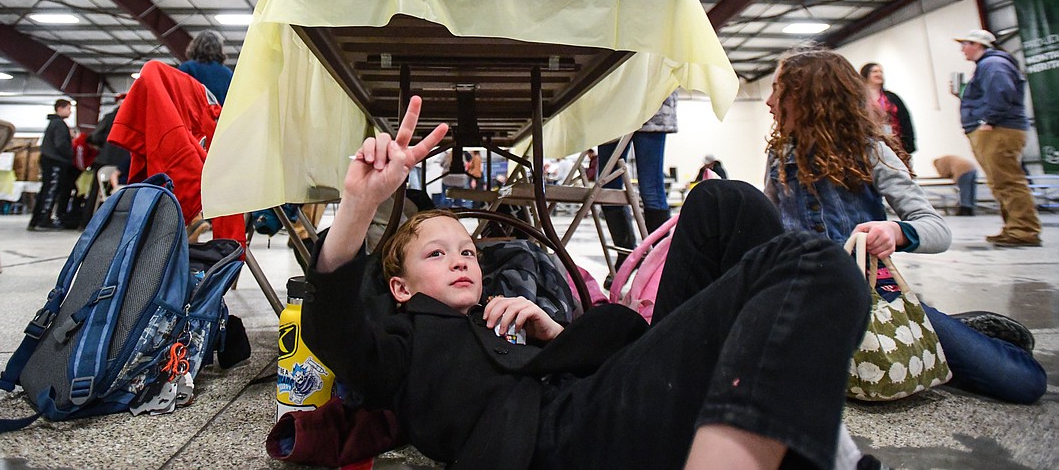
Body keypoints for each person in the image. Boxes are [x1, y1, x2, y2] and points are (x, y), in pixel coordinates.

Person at [303, 96, 872, 470]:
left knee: (726, 202)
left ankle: (773, 421)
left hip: (614, 392)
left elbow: (616, 344)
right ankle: (797, 438)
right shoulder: (402, 337)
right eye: (436, 253)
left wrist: (556, 337)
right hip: (561, 437)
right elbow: (335, 332)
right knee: (811, 265)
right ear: (400, 288)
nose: (462, 261)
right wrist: (358, 205)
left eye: (469, 251)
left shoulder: (501, 319)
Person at [764, 47, 1046, 405]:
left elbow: (936, 230)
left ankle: (952, 332)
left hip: (873, 297)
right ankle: (952, 328)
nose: (769, 101)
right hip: (805, 298)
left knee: (1023, 382)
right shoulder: (779, 155)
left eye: (778, 89)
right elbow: (770, 222)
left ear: (810, 96)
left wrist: (896, 233)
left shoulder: (870, 151)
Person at [951, 29, 1041, 247]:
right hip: (997, 127)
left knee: (1008, 180)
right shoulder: (989, 65)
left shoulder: (993, 64)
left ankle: (1024, 230)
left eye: (965, 44)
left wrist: (988, 120)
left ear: (978, 45)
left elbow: (1002, 92)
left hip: (999, 129)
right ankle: (1014, 227)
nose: (962, 49)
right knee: (1001, 181)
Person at [597, 92, 677, 265]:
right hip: (615, 105)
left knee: (651, 188)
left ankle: (659, 262)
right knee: (605, 186)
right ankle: (626, 253)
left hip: (650, 103)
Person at [28, 99, 73, 230]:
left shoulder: (53, 123)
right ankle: (43, 219)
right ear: (60, 108)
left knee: (46, 190)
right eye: (68, 109)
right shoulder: (59, 124)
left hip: (50, 160)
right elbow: (61, 144)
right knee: (50, 191)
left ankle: (37, 220)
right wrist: (70, 153)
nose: (70, 112)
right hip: (55, 161)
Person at [858, 63, 916, 156]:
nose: (879, 74)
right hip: (874, 145)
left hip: (896, 142)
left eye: (881, 71)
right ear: (866, 74)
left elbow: (905, 119)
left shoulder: (892, 97)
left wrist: (909, 144)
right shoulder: (860, 100)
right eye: (875, 71)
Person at [177, 30, 234, 105]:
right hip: (221, 115)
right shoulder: (228, 73)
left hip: (196, 114)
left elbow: (178, 94)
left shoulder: (188, 68)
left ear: (195, 46)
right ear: (219, 49)